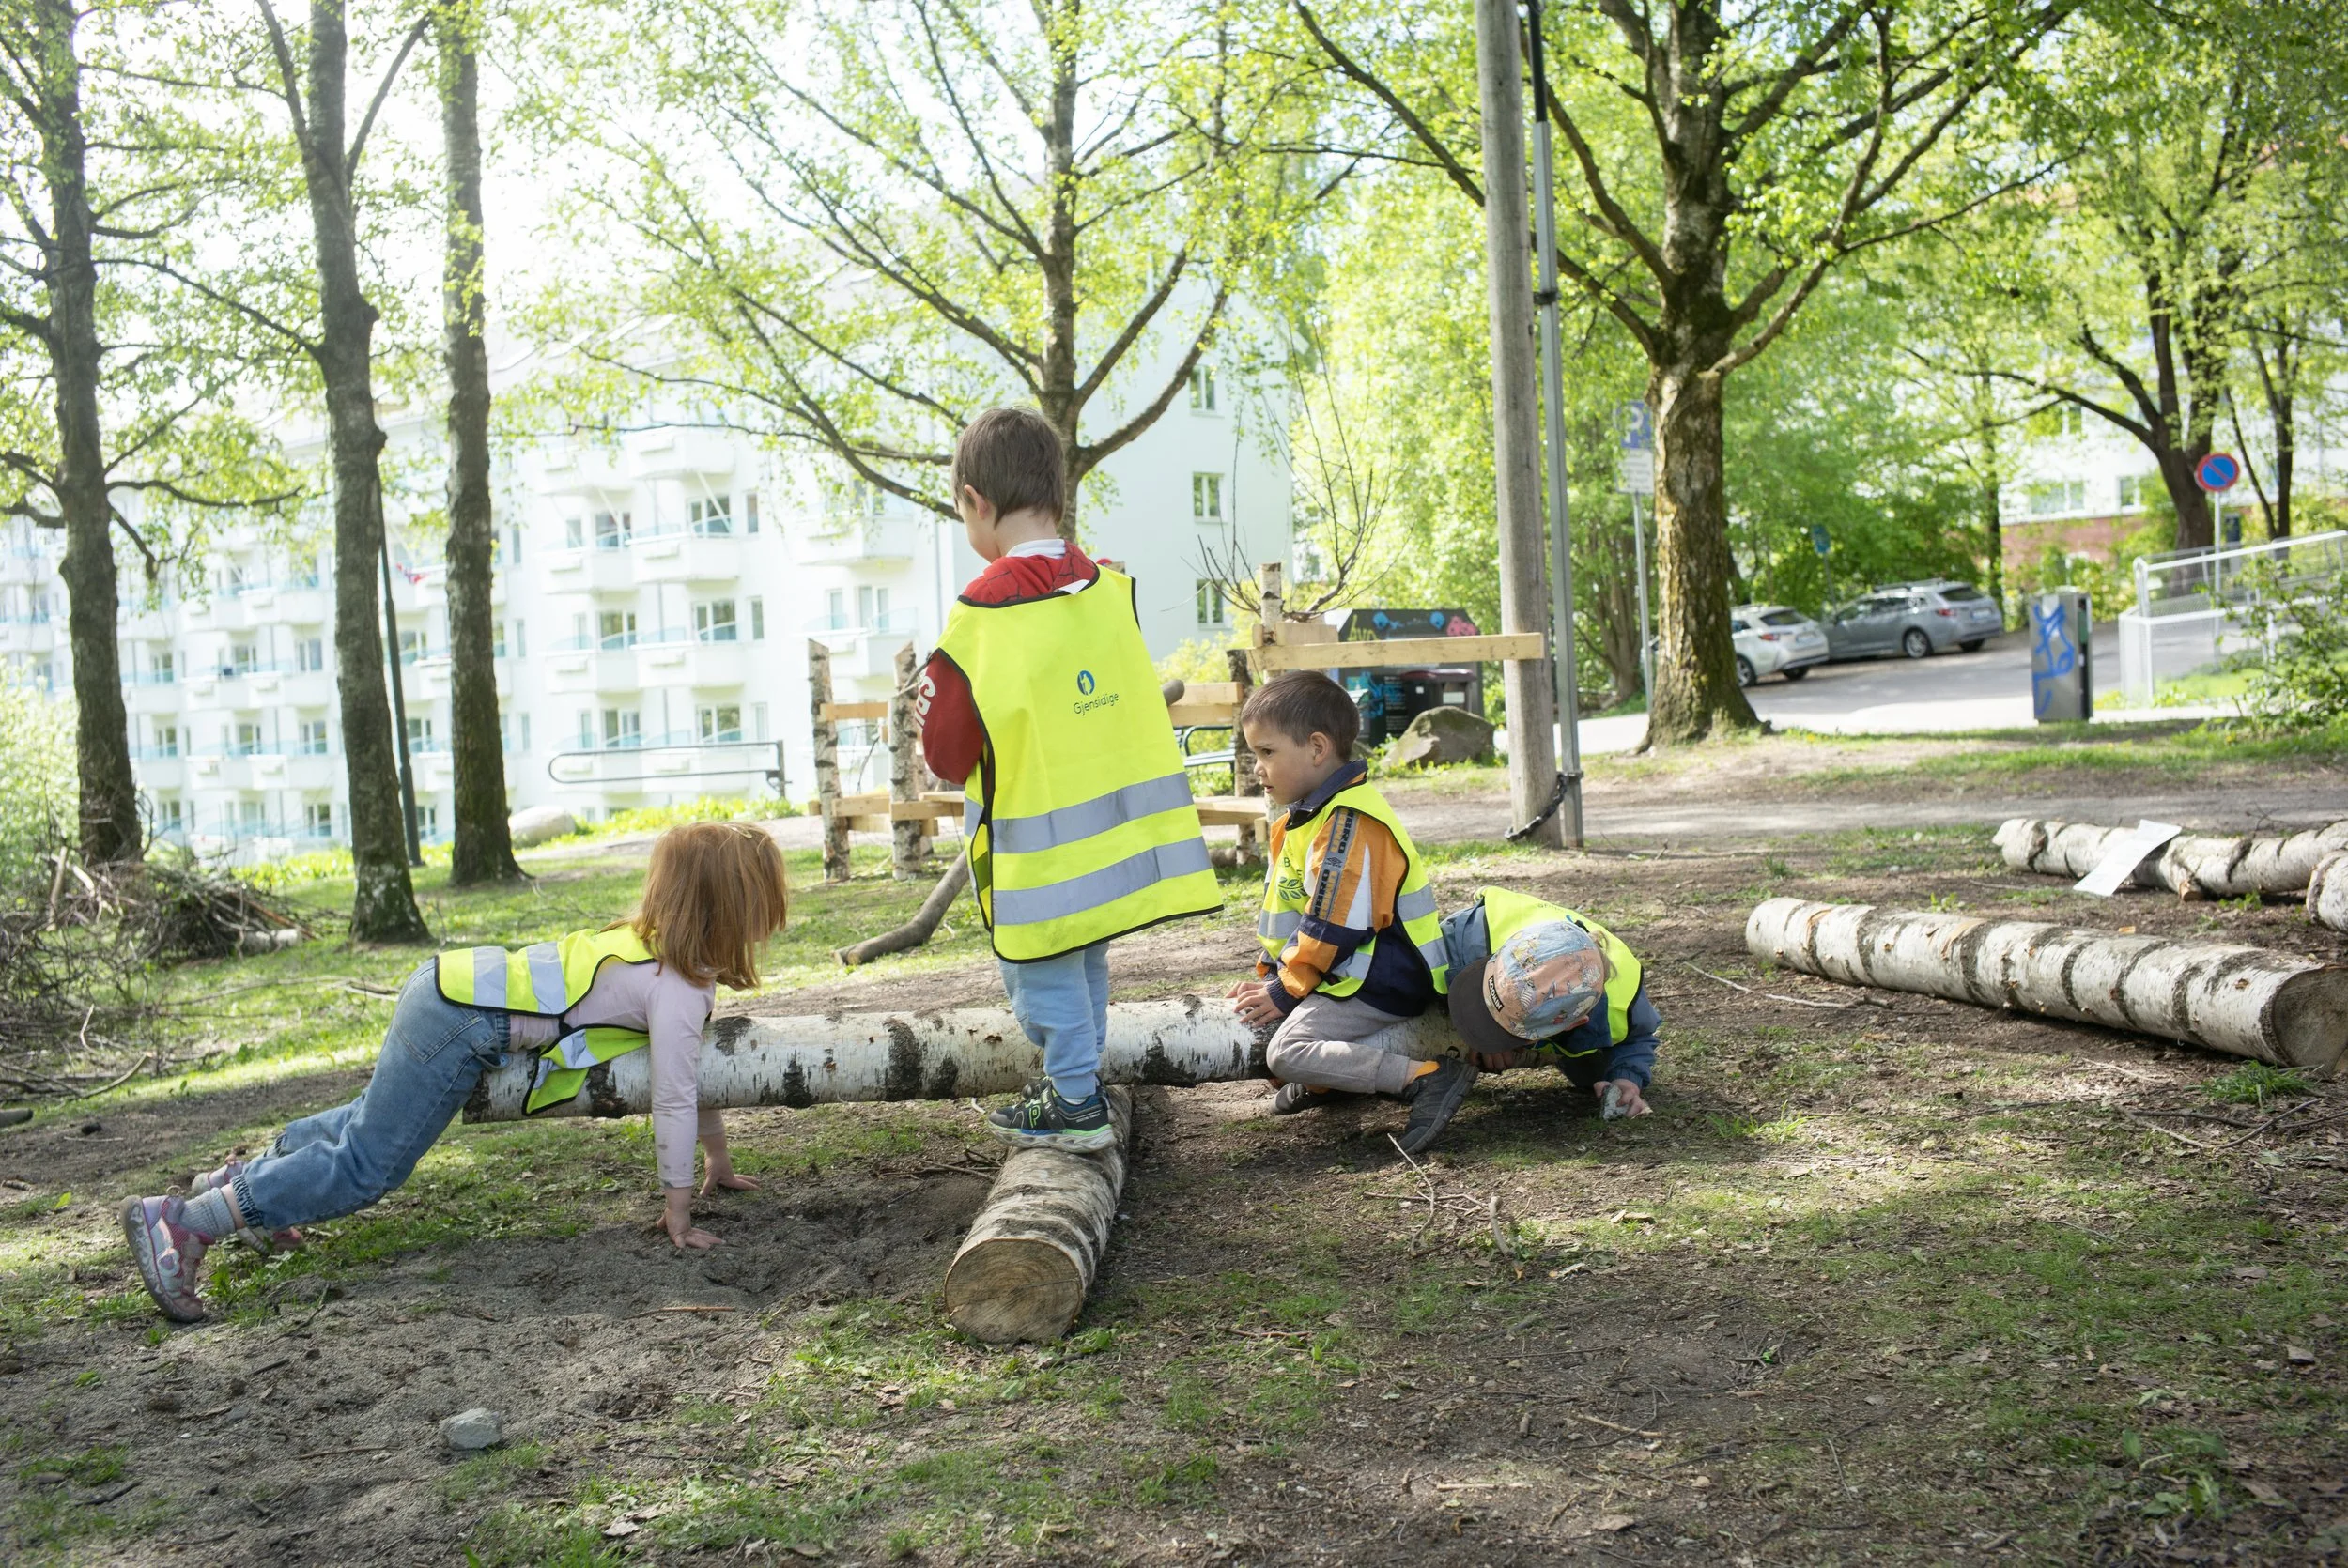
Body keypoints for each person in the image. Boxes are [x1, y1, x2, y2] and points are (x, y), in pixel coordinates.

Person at [119, 822, 791, 1323]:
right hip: (461, 1022)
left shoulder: (648, 949)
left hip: (450, 988)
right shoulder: (677, 988)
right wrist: (679, 1207)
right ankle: (186, 1223)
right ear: (726, 909)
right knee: (370, 1165)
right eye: (760, 906)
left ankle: (245, 1186)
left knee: (366, 1123)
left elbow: (688, 1078)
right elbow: (675, 1096)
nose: (766, 923)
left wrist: (718, 1160)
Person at [920, 407, 1220, 1151]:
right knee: (1085, 959)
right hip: (1110, 845)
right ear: (1056, 492)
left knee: (1041, 974)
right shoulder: (1106, 589)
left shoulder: (979, 621)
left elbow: (947, 755)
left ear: (975, 502)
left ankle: (1077, 1104)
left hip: (1038, 857)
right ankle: (1078, 1081)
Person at [1227, 670, 1472, 1155]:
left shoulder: (1349, 822)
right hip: (1347, 972)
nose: (1257, 768)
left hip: (1384, 979)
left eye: (1267, 752)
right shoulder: (1306, 816)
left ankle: (1424, 1077)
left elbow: (1333, 924)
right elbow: (1290, 912)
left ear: (1317, 748)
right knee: (1283, 1037)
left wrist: (1286, 989)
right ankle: (1330, 1082)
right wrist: (1272, 974)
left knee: (1286, 1051)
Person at [1442, 887, 1660, 1116]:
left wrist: (1627, 1080)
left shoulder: (1625, 1007)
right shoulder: (1471, 938)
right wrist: (1480, 1031)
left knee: (1592, 1072)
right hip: (1485, 928)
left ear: (1575, 1023)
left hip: (1584, 1027)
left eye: (1512, 1026)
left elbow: (1638, 1040)